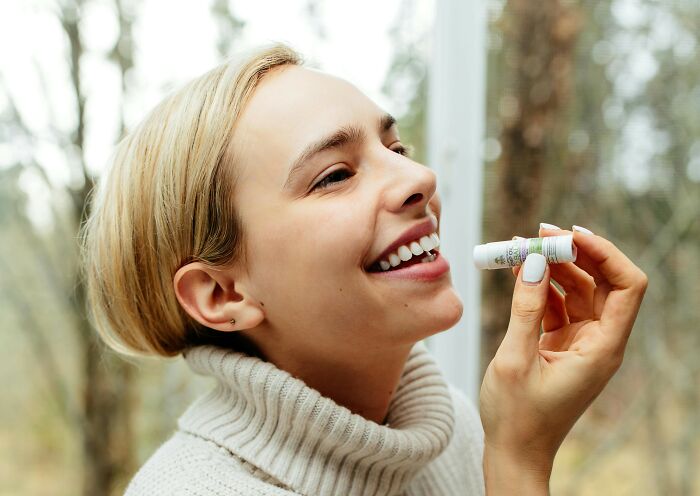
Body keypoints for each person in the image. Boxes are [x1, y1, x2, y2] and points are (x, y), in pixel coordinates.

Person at [79, 43, 648, 496]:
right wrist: (519, 462)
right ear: (221, 293)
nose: (419, 177)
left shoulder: (452, 432)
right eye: (334, 175)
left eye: (395, 149)